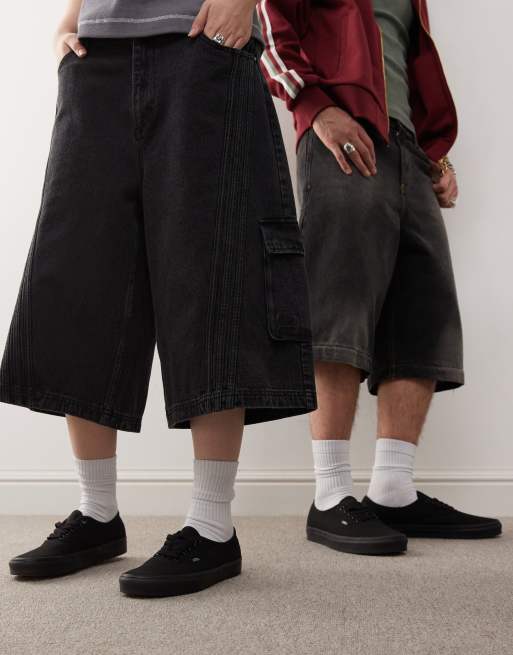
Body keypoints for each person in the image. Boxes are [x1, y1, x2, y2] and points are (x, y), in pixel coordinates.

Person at [2, 0, 316, 596]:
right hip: (96, 55)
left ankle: (212, 524)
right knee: (82, 272)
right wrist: (70, 18)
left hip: (201, 43)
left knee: (210, 274)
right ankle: (96, 513)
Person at [259, 0, 501, 554]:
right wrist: (317, 108)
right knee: (338, 304)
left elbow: (407, 65)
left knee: (424, 314)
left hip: (408, 148)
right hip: (342, 133)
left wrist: (436, 156)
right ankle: (330, 494)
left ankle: (393, 489)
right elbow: (268, 29)